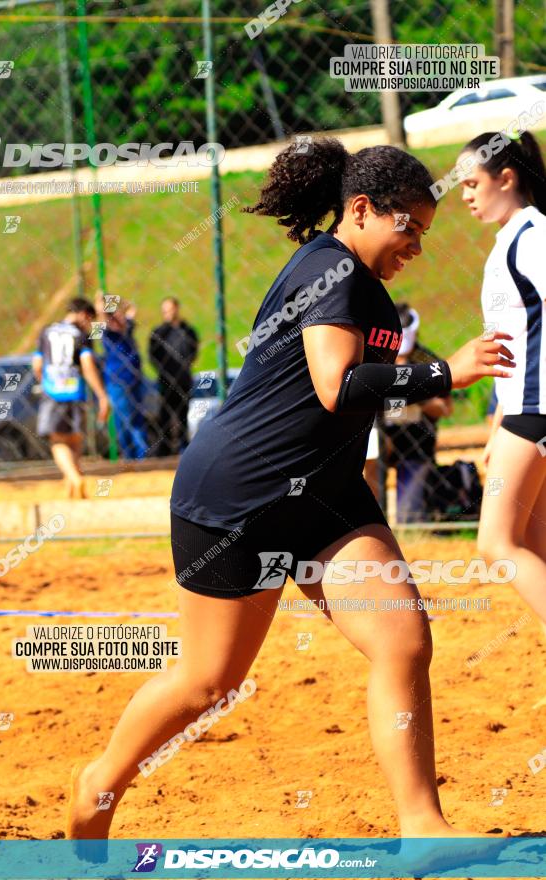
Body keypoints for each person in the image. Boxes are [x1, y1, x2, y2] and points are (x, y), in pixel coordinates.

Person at [67, 140, 514, 843]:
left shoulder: (364, 286)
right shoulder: (329, 270)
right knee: (208, 684)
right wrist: (440, 375)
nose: (417, 247)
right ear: (362, 209)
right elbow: (335, 385)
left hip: (325, 499)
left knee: (401, 641)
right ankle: (98, 782)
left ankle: (422, 827)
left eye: (426, 233)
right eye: (411, 230)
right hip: (239, 499)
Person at [458, 129, 546, 636]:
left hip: (536, 410)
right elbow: (507, 347)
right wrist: (495, 427)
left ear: (506, 178)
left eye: (472, 183)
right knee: (533, 545)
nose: (465, 195)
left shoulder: (532, 238)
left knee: (496, 543)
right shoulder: (511, 240)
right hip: (522, 410)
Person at [381, 303, 453, 522]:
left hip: (417, 442)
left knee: (408, 518)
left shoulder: (428, 361)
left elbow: (446, 408)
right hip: (381, 437)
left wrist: (417, 398)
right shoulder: (376, 355)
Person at [33, 298, 109, 498]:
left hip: (53, 393)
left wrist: (46, 380)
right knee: (75, 439)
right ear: (84, 314)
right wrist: (101, 395)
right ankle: (73, 480)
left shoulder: (46, 331)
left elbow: (37, 365)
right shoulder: (82, 336)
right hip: (75, 392)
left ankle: (74, 478)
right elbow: (87, 366)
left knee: (58, 441)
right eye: (90, 320)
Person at [94, 292, 150, 461]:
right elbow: (100, 317)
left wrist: (119, 302)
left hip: (135, 379)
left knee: (137, 418)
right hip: (117, 381)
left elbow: (132, 309)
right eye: (114, 312)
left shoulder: (127, 327)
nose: (119, 315)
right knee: (125, 420)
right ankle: (130, 456)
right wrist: (100, 302)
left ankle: (141, 456)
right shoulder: (104, 331)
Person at [148, 297, 198, 456]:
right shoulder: (158, 333)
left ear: (177, 309)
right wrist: (164, 371)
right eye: (165, 310)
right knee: (165, 415)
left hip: (183, 380)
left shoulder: (188, 330)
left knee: (184, 413)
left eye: (170, 309)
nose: (168, 313)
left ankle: (184, 447)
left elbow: (193, 352)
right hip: (165, 380)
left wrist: (183, 368)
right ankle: (165, 449)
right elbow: (153, 356)